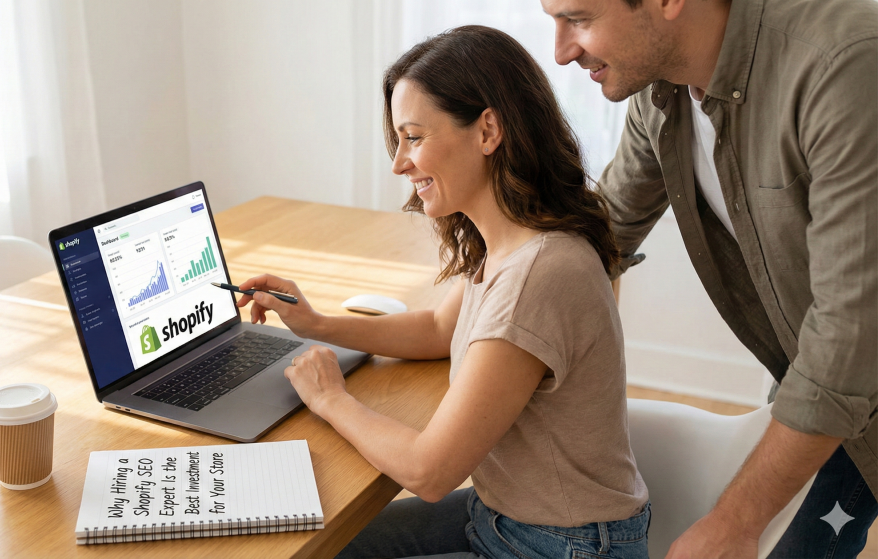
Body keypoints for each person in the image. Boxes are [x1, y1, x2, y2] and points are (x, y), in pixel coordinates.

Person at [237, 25, 650, 559]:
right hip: (507, 517)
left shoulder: (540, 274)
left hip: (557, 546)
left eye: (414, 137)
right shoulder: (514, 240)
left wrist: (330, 398)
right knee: (321, 545)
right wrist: (316, 324)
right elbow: (437, 328)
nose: (399, 163)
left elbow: (430, 472)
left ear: (487, 131)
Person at [539, 0, 878, 556]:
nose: (562, 52)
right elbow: (598, 238)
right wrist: (453, 323)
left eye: (579, 18)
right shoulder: (662, 90)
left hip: (847, 361)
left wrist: (735, 522)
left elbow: (850, 340)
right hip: (817, 365)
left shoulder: (843, 66)